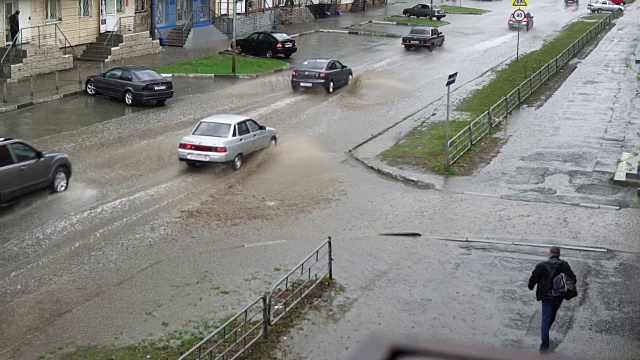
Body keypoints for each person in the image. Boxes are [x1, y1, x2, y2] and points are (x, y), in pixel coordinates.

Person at [528, 246, 577, 354]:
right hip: (558, 295)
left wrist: (531, 286)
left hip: (546, 296)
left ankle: (544, 347)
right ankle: (545, 338)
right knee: (551, 316)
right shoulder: (564, 264)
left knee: (546, 320)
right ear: (558, 254)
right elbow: (573, 278)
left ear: (550, 253)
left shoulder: (541, 265)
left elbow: (533, 278)